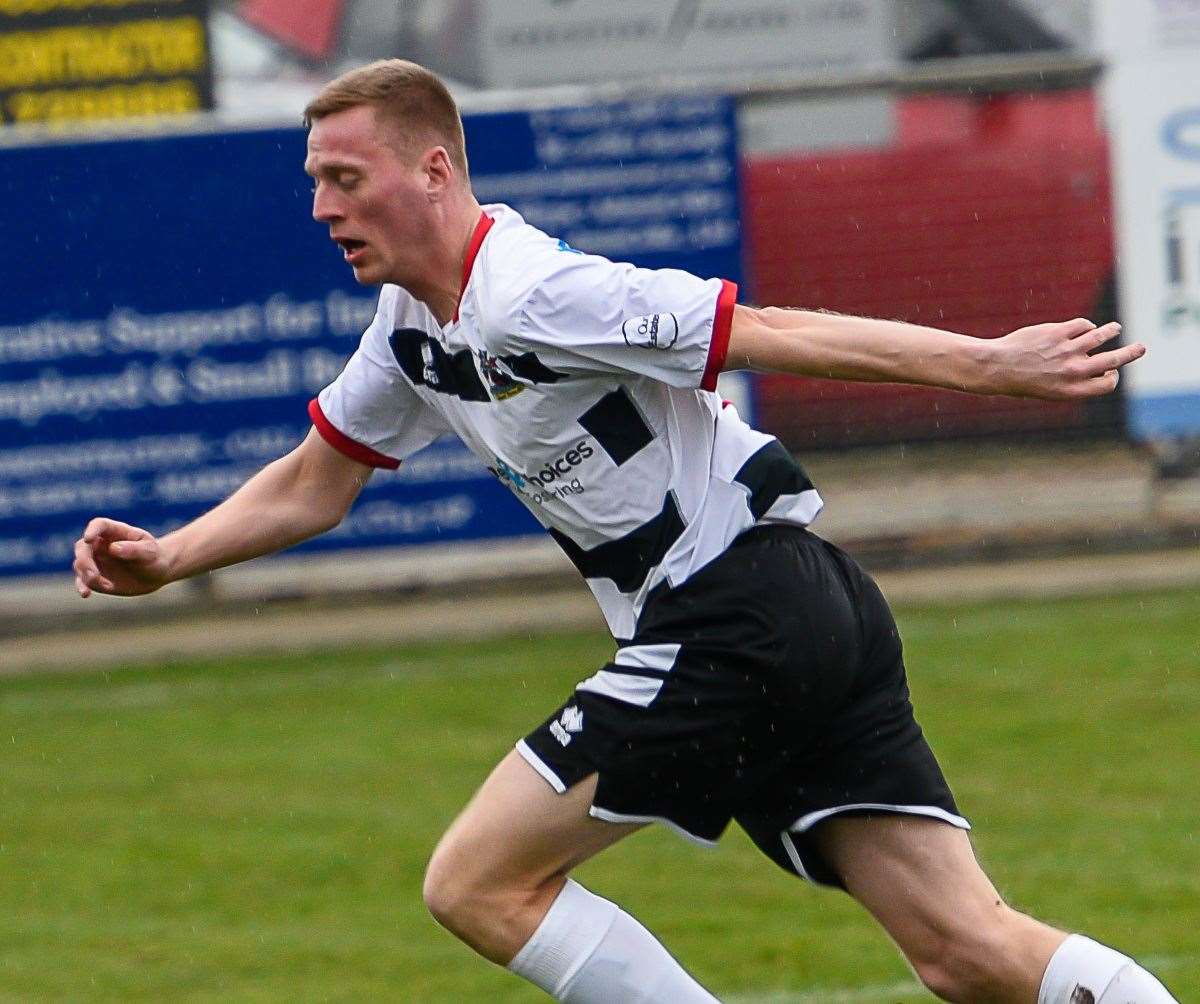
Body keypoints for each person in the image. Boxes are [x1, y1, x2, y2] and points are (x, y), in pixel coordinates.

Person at [72, 60, 1175, 1004]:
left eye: (343, 178)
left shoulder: (536, 293)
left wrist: (989, 363)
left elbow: (774, 330)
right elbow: (315, 484)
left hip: (741, 610)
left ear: (434, 170)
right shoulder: (415, 328)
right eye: (315, 182)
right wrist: (170, 556)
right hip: (804, 603)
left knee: (477, 881)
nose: (322, 207)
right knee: (966, 952)